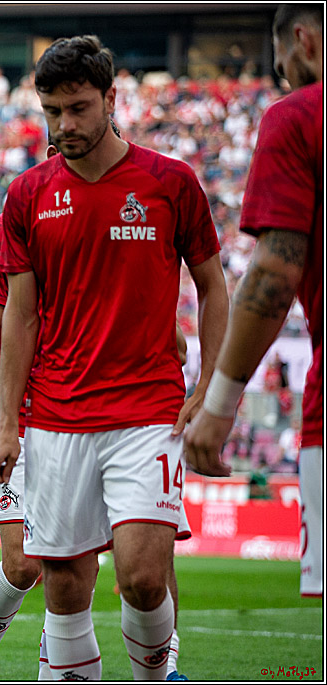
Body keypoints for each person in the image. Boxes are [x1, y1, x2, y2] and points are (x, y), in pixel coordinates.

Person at [0, 35, 228, 680]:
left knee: (145, 578)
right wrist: (7, 422)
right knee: (64, 589)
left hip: (148, 408)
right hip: (57, 416)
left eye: (79, 109)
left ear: (111, 99)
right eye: (52, 112)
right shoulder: (27, 194)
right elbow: (20, 314)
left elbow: (213, 286)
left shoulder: (169, 182)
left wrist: (210, 387)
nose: (64, 125)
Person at [185, 4, 322, 600]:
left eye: (281, 64)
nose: (284, 75)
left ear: (301, 38)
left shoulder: (299, 116)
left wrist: (219, 403)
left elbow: (274, 270)